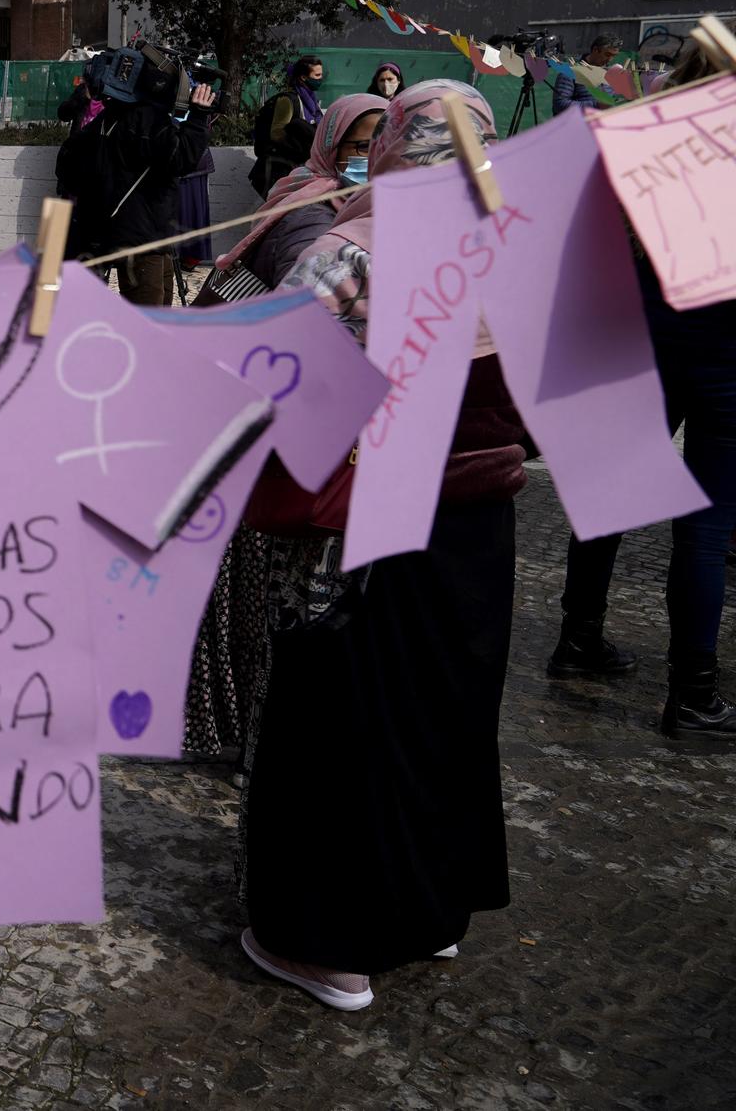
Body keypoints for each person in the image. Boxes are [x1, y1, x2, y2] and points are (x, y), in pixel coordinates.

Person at [244, 80, 528, 1011]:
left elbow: (262, 378)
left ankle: (326, 944)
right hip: (482, 525)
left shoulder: (353, 248)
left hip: (373, 520)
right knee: (447, 714)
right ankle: (432, 911)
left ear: (401, 147)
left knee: (339, 722)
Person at [182, 94, 387, 756]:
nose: (372, 157)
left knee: (244, 599)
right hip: (269, 434)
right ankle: (249, 732)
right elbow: (294, 339)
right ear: (332, 144)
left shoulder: (327, 207)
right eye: (359, 145)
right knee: (264, 600)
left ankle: (239, 727)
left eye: (383, 142)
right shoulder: (316, 223)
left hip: (249, 427)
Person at [545, 41, 736, 740]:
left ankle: (578, 635)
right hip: (724, 353)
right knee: (706, 528)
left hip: (645, 336)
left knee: (612, 493)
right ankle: (692, 692)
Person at [57, 44, 218, 306]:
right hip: (143, 240)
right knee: (149, 321)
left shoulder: (107, 120)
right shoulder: (145, 119)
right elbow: (183, 158)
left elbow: (67, 168)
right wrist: (198, 117)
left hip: (113, 232)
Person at [247, 55, 324, 196]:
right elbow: (276, 132)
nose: (320, 79)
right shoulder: (288, 100)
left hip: (303, 167)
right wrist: (300, 145)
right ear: (303, 77)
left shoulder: (312, 102)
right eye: (317, 75)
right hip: (283, 169)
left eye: (321, 74)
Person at [551, 33, 621, 114]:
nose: (610, 60)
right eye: (607, 54)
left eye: (614, 56)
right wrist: (596, 105)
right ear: (595, 50)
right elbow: (559, 105)